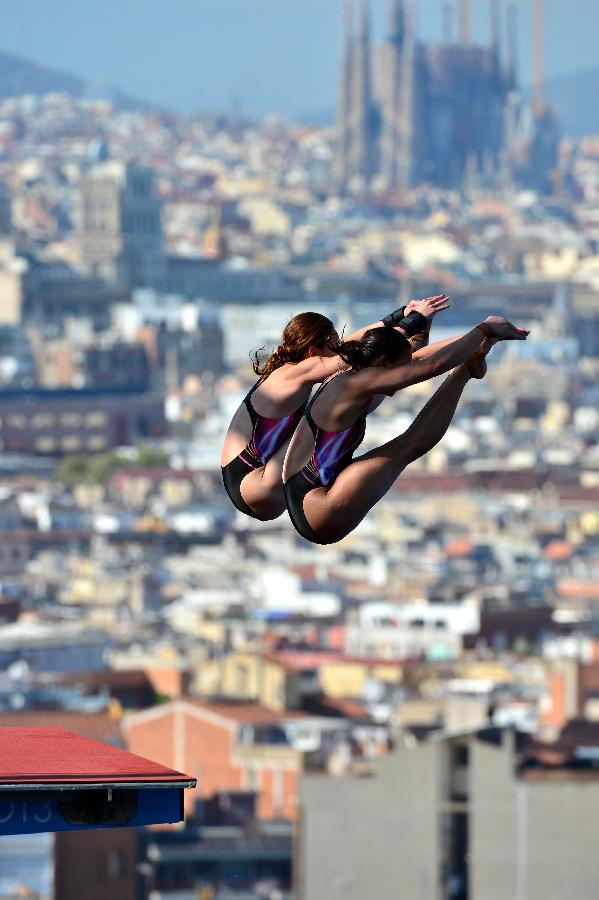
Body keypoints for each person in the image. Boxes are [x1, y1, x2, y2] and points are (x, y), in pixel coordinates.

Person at [282, 316, 529, 544]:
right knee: (408, 446)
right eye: (399, 373)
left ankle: (467, 367)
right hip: (317, 509)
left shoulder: (357, 372)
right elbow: (432, 366)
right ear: (382, 363)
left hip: (308, 495)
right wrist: (484, 329)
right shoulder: (353, 384)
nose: (396, 387)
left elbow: (419, 359)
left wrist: (479, 333)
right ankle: (465, 370)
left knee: (404, 440)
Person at [221, 296, 449, 520]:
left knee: (365, 393)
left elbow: (355, 345)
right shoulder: (290, 374)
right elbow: (359, 352)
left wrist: (400, 316)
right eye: (333, 343)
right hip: (253, 482)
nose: (340, 346)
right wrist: (411, 323)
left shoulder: (299, 367)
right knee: (355, 388)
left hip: (261, 487)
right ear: (312, 351)